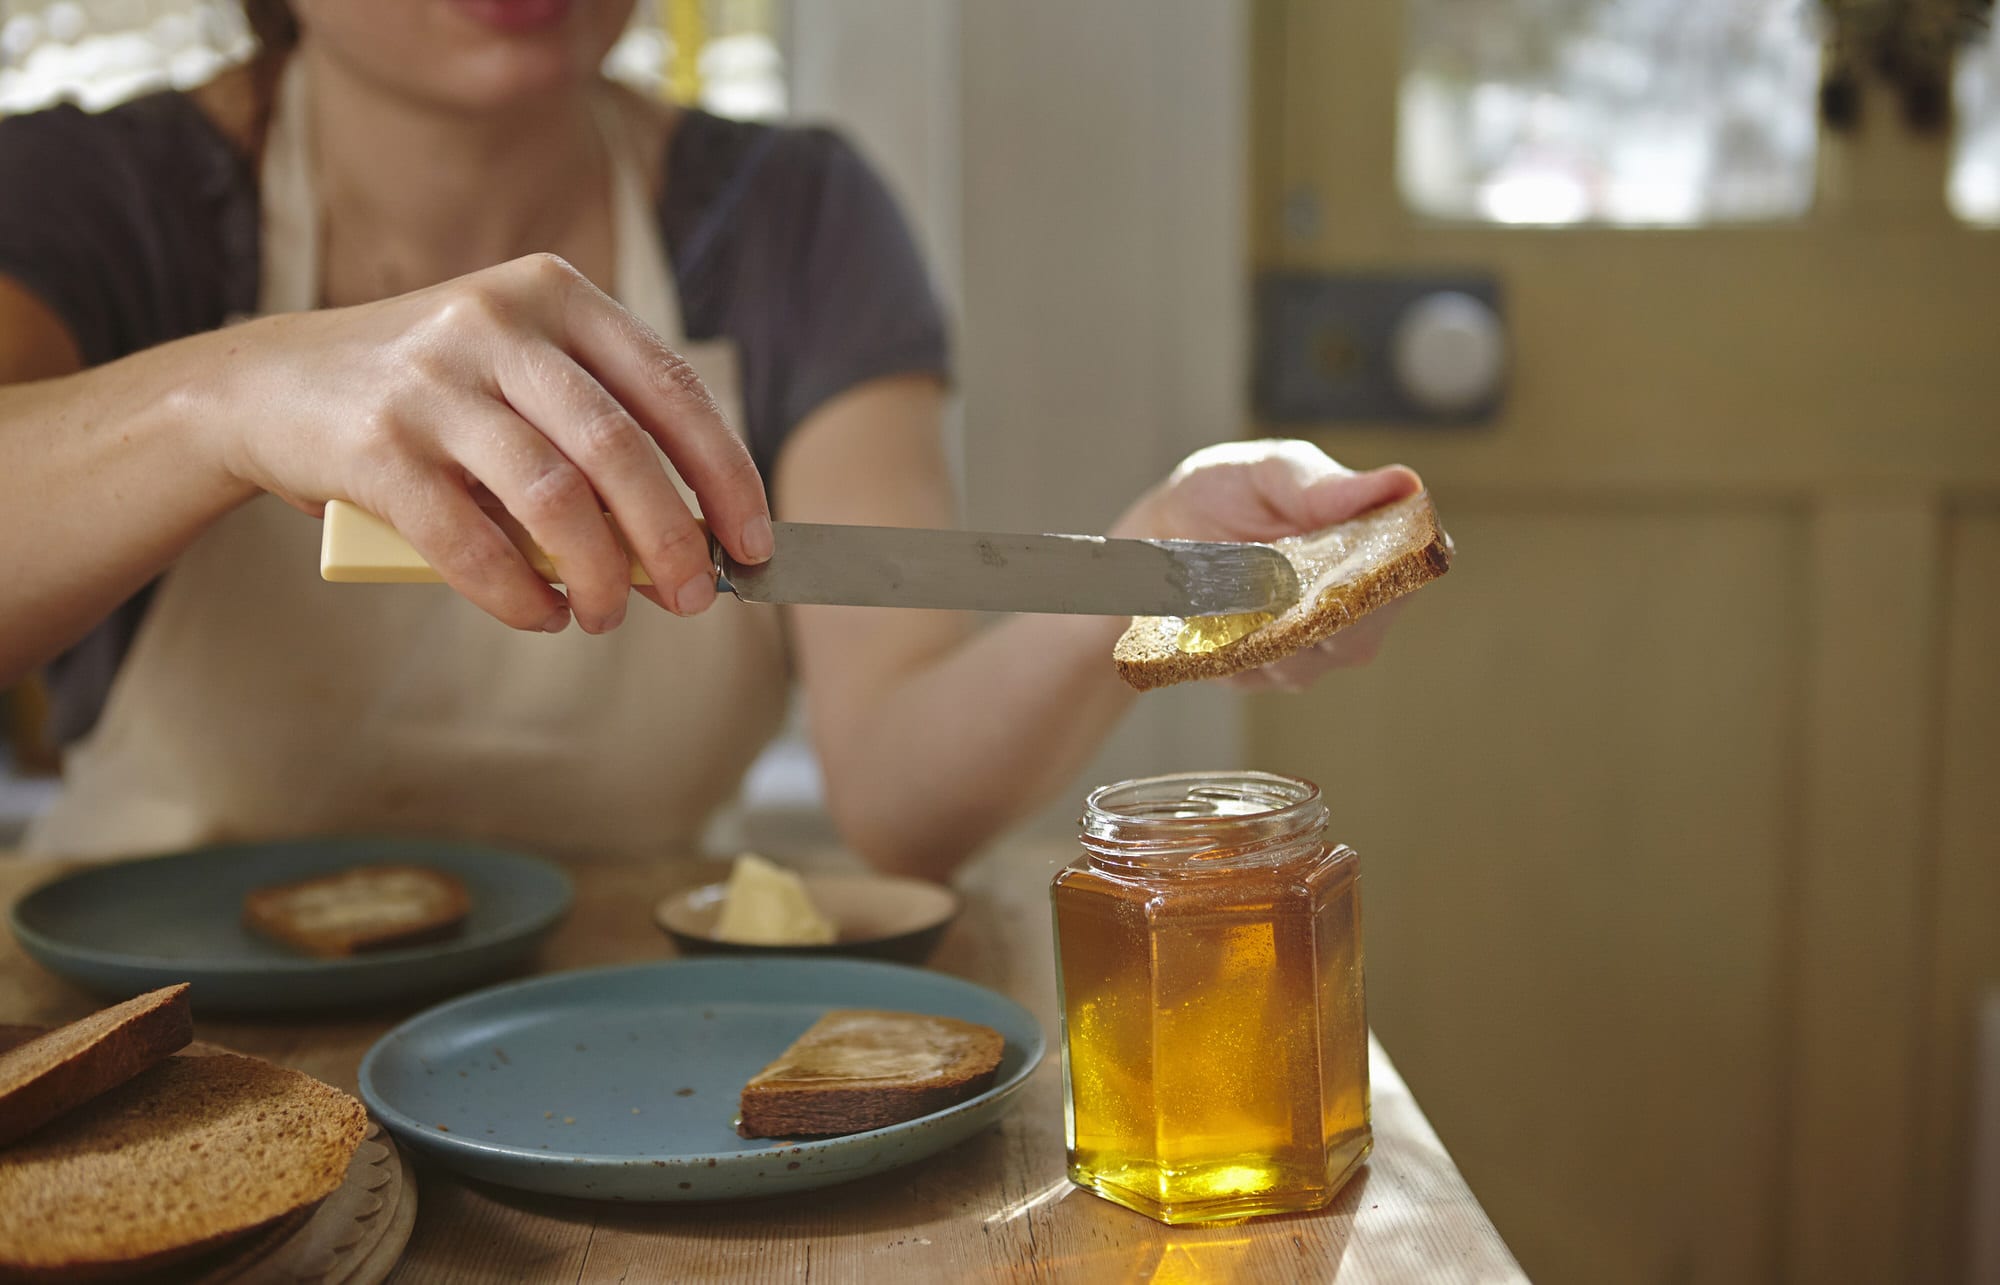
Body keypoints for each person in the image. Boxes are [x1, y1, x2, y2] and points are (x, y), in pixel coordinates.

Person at [0, 0, 1421, 877]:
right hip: (154, 1036)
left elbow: (902, 800)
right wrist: (226, 400)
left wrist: (1149, 563)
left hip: (624, 1046)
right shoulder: (89, 199)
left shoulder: (796, 219)